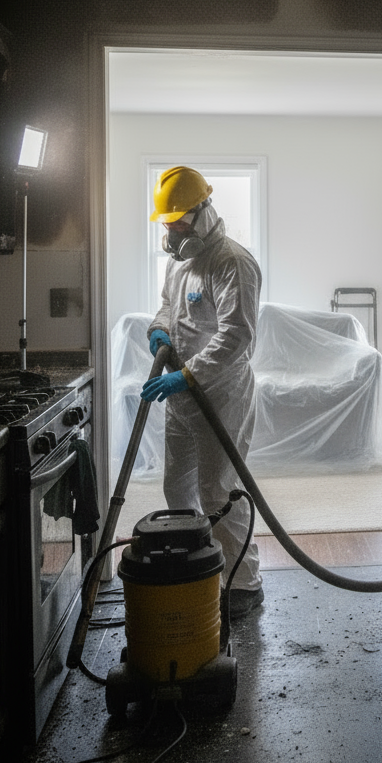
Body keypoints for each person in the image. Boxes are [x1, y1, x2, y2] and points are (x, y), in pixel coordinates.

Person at [140, 166, 265, 619]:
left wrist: (187, 375)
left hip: (222, 398)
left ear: (203, 212)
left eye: (177, 222)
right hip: (183, 399)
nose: (171, 231)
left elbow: (236, 336)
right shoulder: (181, 266)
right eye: (166, 223)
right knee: (178, 489)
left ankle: (245, 585)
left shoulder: (233, 262)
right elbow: (168, 307)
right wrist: (158, 331)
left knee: (219, 493)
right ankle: (206, 570)